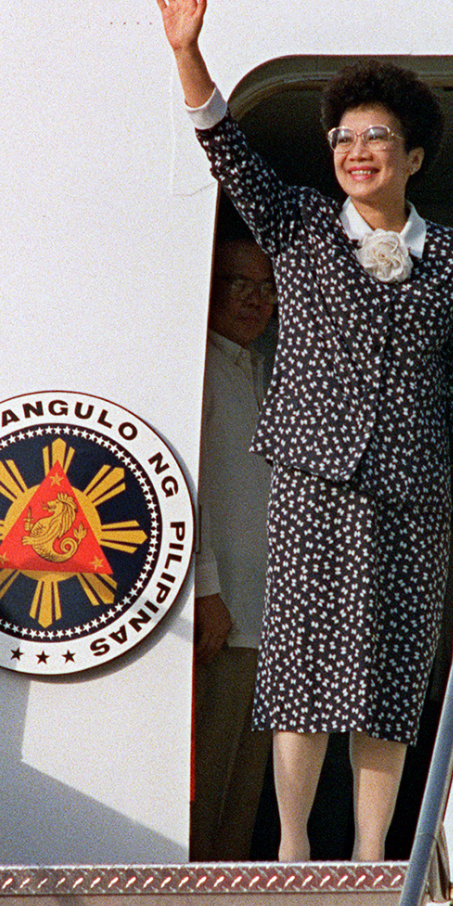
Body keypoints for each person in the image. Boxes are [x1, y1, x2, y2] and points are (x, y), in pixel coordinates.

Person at [154, 0, 453, 862]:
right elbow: (225, 148)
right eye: (343, 137)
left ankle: (373, 849)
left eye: (376, 137)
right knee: (301, 667)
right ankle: (298, 845)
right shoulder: (303, 225)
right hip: (311, 477)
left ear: (413, 155)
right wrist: (190, 56)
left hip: (416, 490)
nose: (356, 151)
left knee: (388, 673)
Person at [192, 233, 276, 861]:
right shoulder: (199, 370)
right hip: (221, 613)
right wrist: (206, 589)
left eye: (267, 287)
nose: (256, 299)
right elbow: (188, 490)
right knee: (208, 789)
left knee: (245, 800)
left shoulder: (257, 366)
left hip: (268, 614)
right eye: (239, 283)